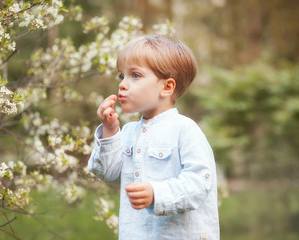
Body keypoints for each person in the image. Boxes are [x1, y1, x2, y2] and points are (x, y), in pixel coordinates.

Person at [88, 35, 220, 240]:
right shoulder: (129, 132)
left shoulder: (185, 130)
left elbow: (199, 183)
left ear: (166, 87)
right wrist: (110, 131)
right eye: (121, 76)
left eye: (135, 75)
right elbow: (107, 172)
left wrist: (157, 194)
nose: (123, 85)